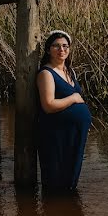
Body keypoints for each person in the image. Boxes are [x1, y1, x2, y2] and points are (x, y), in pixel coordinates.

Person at [36, 30, 92, 192]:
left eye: (65, 46)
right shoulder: (46, 73)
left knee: (71, 171)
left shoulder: (69, 71)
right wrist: (74, 98)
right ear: (48, 50)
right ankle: (53, 210)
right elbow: (48, 105)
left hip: (74, 132)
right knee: (56, 176)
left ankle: (66, 206)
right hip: (56, 133)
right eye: (56, 46)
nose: (62, 49)